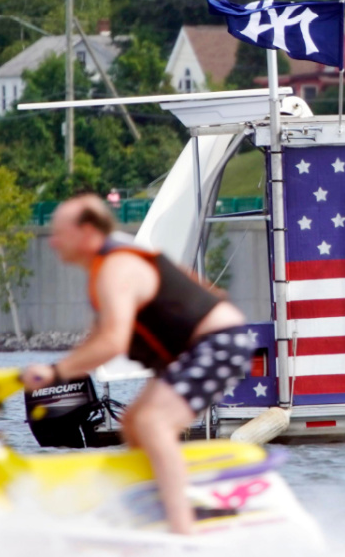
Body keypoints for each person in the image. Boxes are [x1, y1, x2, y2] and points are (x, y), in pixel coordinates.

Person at [21, 193, 250, 535]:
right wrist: (59, 368)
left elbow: (112, 341)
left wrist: (55, 373)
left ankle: (182, 527)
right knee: (133, 423)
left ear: (86, 232)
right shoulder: (104, 268)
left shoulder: (117, 267)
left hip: (218, 344)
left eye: (60, 232)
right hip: (192, 351)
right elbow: (99, 337)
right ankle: (165, 499)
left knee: (153, 423)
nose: (52, 241)